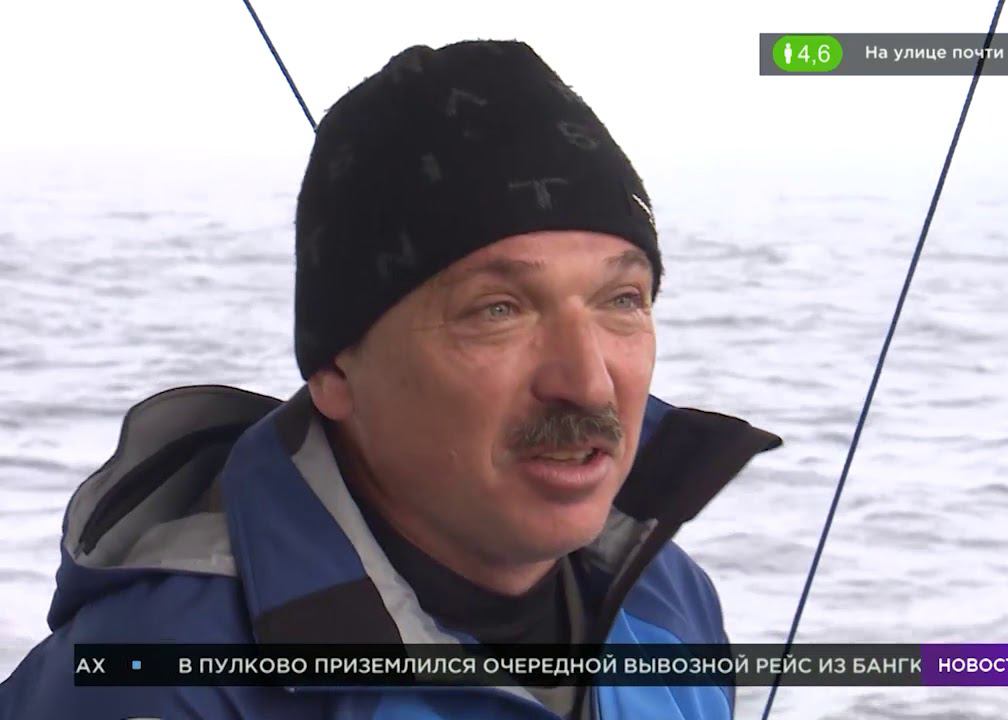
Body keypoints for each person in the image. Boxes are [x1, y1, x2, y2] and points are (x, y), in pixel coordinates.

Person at [0, 40, 780, 719]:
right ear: (337, 368)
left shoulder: (665, 600)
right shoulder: (166, 681)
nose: (589, 384)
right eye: (499, 310)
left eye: (621, 300)